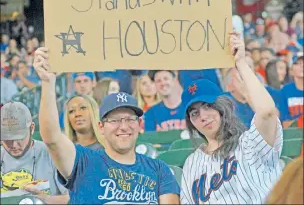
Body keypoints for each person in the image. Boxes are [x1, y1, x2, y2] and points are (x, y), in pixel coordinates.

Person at [32, 47, 180, 204]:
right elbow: (52, 138)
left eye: (130, 119)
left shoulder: (159, 169)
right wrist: (48, 82)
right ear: (101, 127)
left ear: (139, 125)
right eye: (114, 120)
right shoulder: (83, 161)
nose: (123, 126)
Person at [181, 31, 283, 204]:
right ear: (191, 122)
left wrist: (241, 63)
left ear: (221, 108)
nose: (203, 116)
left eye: (208, 106)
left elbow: (267, 112)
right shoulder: (192, 163)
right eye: (194, 113)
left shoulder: (249, 143)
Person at [1, 102, 69, 204]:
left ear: (32, 128)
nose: (14, 145)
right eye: (7, 138)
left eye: (19, 137)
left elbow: (74, 196)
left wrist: (47, 200)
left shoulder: (52, 154)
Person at [279, 52, 303, 128]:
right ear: (291, 71)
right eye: (297, 63)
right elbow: (285, 124)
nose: (302, 66)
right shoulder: (285, 90)